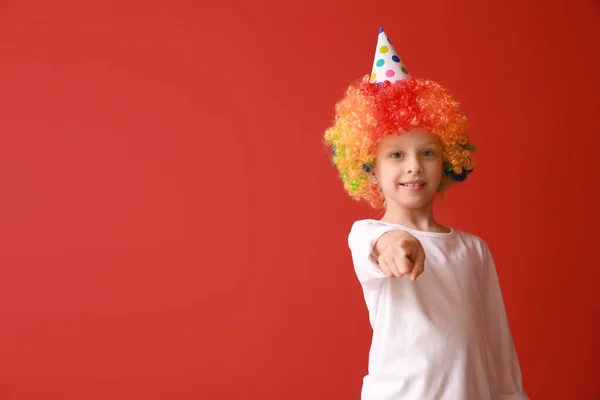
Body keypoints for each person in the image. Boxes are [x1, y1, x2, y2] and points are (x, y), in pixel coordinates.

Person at [323, 27, 530, 400]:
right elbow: (379, 246)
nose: (414, 167)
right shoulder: (367, 235)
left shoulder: (473, 250)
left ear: (447, 159)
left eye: (428, 153)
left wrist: (513, 395)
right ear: (370, 167)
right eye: (397, 155)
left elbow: (498, 340)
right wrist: (396, 244)